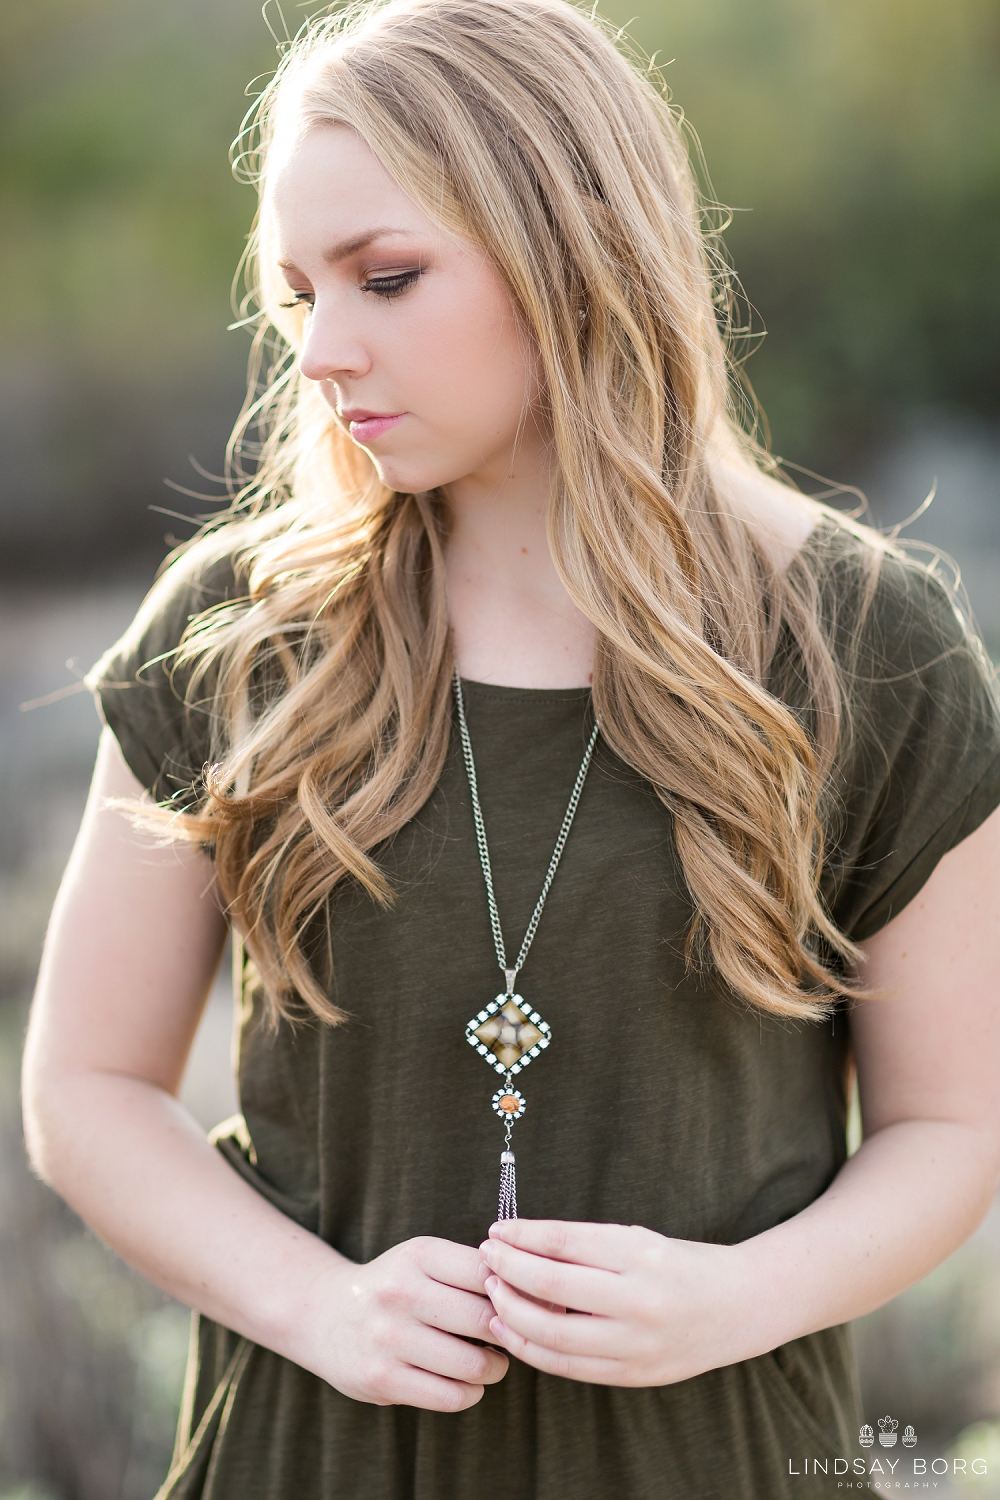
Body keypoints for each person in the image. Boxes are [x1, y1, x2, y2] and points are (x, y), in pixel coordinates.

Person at [21, 1, 1000, 1496]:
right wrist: (320, 1308)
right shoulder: (238, 633)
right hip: (311, 1459)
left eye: (389, 277)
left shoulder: (865, 643)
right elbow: (84, 1088)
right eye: (295, 296)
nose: (323, 353)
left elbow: (951, 1124)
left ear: (573, 250)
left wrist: (738, 1299)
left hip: (720, 1459)